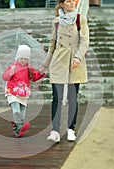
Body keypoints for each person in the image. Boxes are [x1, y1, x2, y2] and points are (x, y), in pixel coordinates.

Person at [39, 0, 89, 142]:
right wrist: (45, 64)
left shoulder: (80, 19)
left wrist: (78, 57)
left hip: (75, 62)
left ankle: (71, 129)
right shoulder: (56, 22)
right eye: (68, 1)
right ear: (61, 4)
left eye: (73, 0)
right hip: (58, 62)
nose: (72, 3)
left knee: (72, 98)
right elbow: (52, 45)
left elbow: (85, 41)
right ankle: (55, 130)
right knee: (57, 98)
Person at [2, 44, 46, 137]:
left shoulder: (29, 68)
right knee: (16, 109)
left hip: (23, 94)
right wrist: (11, 72)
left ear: (28, 59)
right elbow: (4, 77)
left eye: (25, 59)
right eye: (21, 58)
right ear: (17, 57)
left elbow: (34, 77)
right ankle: (19, 125)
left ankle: (17, 129)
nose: (23, 60)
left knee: (22, 114)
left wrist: (41, 72)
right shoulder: (12, 66)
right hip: (12, 91)